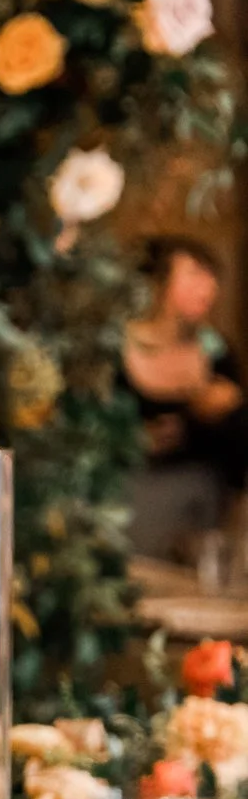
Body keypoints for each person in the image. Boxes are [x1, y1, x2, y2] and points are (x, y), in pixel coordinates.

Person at [124, 236, 248, 563]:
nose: (208, 287)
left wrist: (230, 411)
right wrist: (138, 439)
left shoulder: (217, 353)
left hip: (209, 503)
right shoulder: (116, 349)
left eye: (211, 276)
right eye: (194, 274)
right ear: (157, 281)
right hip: (135, 492)